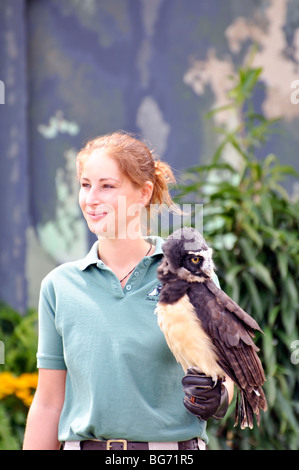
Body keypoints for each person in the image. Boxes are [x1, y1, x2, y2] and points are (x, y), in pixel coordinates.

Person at [23, 131, 234, 450]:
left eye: (107, 186)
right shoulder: (59, 286)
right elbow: (49, 403)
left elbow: (227, 375)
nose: (91, 198)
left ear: (143, 193)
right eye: (85, 184)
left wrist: (217, 395)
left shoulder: (190, 274)